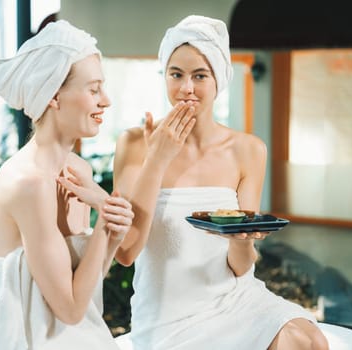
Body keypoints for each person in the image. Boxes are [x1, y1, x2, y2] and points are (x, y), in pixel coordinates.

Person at [111, 15, 329, 350]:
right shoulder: (136, 144)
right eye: (176, 74)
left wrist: (243, 241)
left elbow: (241, 267)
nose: (187, 88)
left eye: (199, 75)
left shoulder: (248, 150)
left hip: (236, 300)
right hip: (168, 317)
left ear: (218, 80)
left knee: (307, 340)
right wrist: (158, 158)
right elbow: (125, 252)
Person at [0, 20, 134, 349]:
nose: (105, 100)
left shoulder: (76, 170)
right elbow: (70, 309)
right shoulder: (29, 183)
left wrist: (110, 232)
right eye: (93, 89)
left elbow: (86, 284)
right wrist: (105, 222)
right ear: (53, 96)